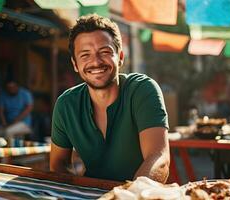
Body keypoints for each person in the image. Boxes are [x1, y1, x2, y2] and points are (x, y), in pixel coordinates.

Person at [50, 14, 170, 183]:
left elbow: (158, 158)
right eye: (85, 55)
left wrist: (131, 194)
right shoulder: (66, 104)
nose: (96, 62)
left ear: (120, 57)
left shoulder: (143, 90)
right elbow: (58, 164)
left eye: (105, 52)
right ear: (75, 64)